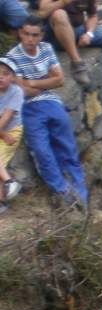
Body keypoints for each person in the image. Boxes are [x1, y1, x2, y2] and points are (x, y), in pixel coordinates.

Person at [7, 16, 88, 207]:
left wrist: (32, 82)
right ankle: (63, 195)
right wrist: (45, 80)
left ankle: (81, 197)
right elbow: (22, 91)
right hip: (28, 108)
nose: (30, 39)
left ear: (41, 35)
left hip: (52, 102)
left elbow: (59, 80)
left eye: (35, 35)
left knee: (68, 149)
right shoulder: (12, 57)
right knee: (42, 152)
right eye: (26, 34)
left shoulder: (46, 49)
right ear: (20, 33)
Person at [31, 0, 102, 91]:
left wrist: (89, 34)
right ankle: (77, 63)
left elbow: (92, 16)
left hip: (77, 29)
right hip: (53, 34)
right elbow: (42, 12)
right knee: (59, 14)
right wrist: (63, 2)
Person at [0, 58, 23, 213]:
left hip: (11, 130)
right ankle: (9, 181)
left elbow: (6, 118)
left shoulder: (16, 92)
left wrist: (3, 133)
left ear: (13, 77)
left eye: (5, 74)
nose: (0, 77)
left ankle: (2, 200)